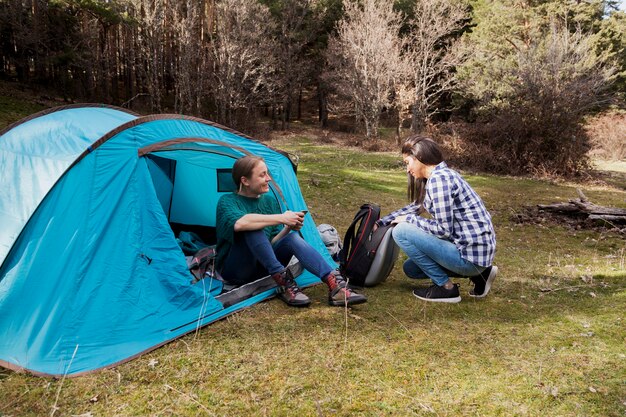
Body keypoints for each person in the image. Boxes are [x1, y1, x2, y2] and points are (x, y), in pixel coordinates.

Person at [215, 155, 367, 307]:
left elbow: (271, 243)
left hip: (264, 267)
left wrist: (288, 228)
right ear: (245, 181)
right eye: (262, 175)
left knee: (292, 238)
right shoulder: (227, 201)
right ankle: (286, 285)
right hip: (236, 270)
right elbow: (240, 224)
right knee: (252, 227)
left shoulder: (269, 201)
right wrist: (282, 218)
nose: (268, 178)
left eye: (268, 173)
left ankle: (335, 285)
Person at [376, 136, 497, 303]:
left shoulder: (439, 181)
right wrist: (382, 222)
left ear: (419, 157)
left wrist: (409, 220)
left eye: (407, 163)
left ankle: (446, 289)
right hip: (476, 255)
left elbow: (443, 229)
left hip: (469, 256)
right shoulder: (441, 175)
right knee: (411, 269)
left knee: (401, 231)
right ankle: (481, 275)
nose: (407, 169)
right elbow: (417, 206)